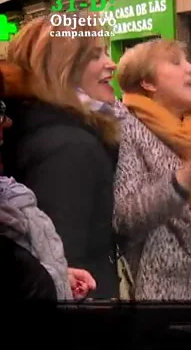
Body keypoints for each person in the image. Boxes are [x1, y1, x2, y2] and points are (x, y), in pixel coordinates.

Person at [0, 16, 120, 299]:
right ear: (61, 69)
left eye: (107, 51)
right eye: (95, 55)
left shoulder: (54, 131)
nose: (112, 63)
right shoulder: (69, 147)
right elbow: (64, 264)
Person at [113, 39, 191, 300]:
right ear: (148, 82)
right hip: (167, 297)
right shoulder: (128, 129)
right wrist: (183, 180)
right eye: (176, 62)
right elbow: (125, 217)